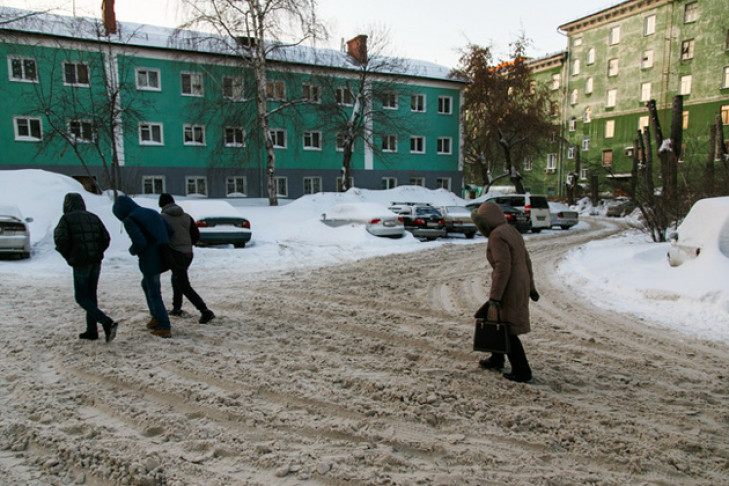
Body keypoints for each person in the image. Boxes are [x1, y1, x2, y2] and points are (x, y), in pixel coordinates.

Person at [471, 201, 540, 383]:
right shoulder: (511, 231)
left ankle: (522, 371)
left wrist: (495, 296)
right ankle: (496, 358)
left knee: (507, 328)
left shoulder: (496, 235)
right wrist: (531, 287)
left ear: (486, 222)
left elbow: (503, 268)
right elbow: (527, 260)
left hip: (509, 285)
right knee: (494, 319)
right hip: (520, 282)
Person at [54, 192, 118, 342]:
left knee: (81, 297)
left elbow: (60, 239)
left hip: (80, 262)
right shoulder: (93, 217)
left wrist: (70, 255)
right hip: (95, 262)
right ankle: (92, 330)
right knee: (91, 296)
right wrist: (97, 252)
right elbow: (106, 238)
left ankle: (106, 322)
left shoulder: (66, 219)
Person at [112, 195, 174, 338]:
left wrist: (132, 250)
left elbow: (140, 242)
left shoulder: (130, 219)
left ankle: (164, 325)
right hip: (163, 256)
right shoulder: (152, 212)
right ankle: (155, 317)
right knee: (146, 285)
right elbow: (170, 231)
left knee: (154, 291)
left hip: (149, 259)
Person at [158, 193, 215, 324]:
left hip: (175, 253)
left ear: (161, 205)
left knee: (183, 284)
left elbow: (161, 237)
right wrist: (187, 245)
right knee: (177, 279)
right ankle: (176, 308)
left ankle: (205, 311)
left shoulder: (162, 218)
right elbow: (196, 235)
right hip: (188, 253)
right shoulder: (186, 216)